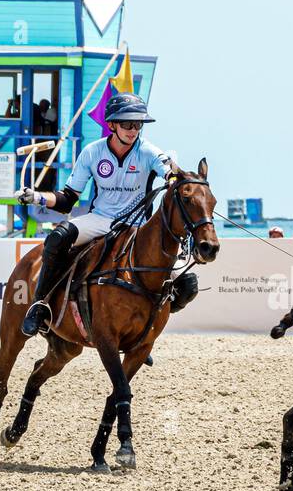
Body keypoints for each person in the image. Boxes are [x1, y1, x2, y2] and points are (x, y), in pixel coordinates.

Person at [16, 92, 196, 336]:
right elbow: (67, 200)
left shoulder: (149, 152)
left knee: (187, 285)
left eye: (138, 124)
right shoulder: (92, 152)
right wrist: (36, 197)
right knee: (57, 238)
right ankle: (40, 306)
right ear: (112, 125)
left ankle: (144, 329)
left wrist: (175, 176)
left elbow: (169, 172)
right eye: (127, 124)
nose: (133, 130)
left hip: (137, 228)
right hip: (100, 220)